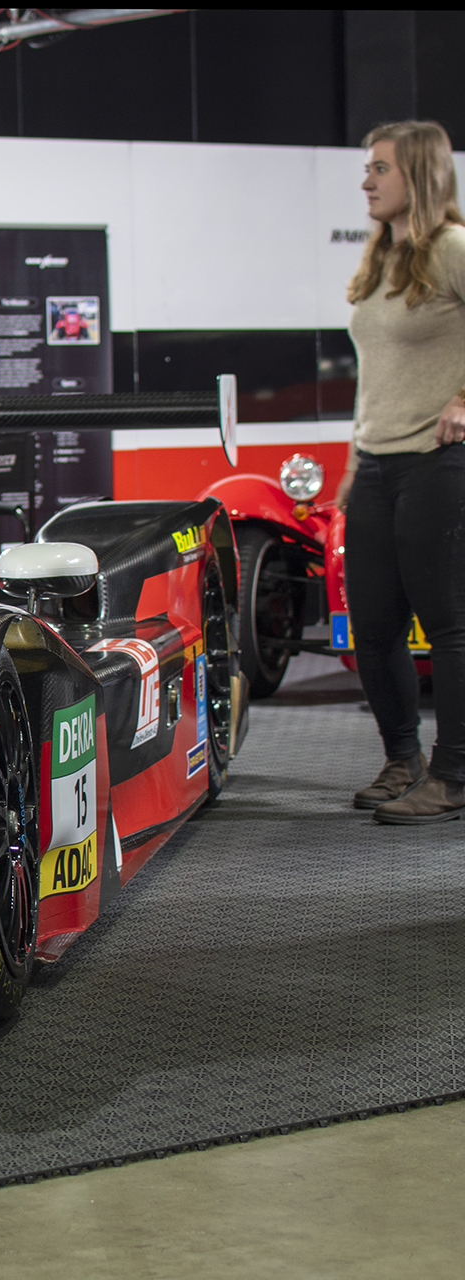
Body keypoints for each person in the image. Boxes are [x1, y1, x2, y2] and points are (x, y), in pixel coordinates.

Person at [338, 120, 465, 823]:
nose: (366, 180)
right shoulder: (382, 257)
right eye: (367, 169)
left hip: (438, 464)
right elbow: (378, 375)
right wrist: (355, 459)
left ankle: (454, 776)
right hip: (378, 464)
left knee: (448, 626)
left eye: (379, 168)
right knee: (374, 625)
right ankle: (402, 759)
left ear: (418, 175)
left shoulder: (452, 249)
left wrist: (463, 398)